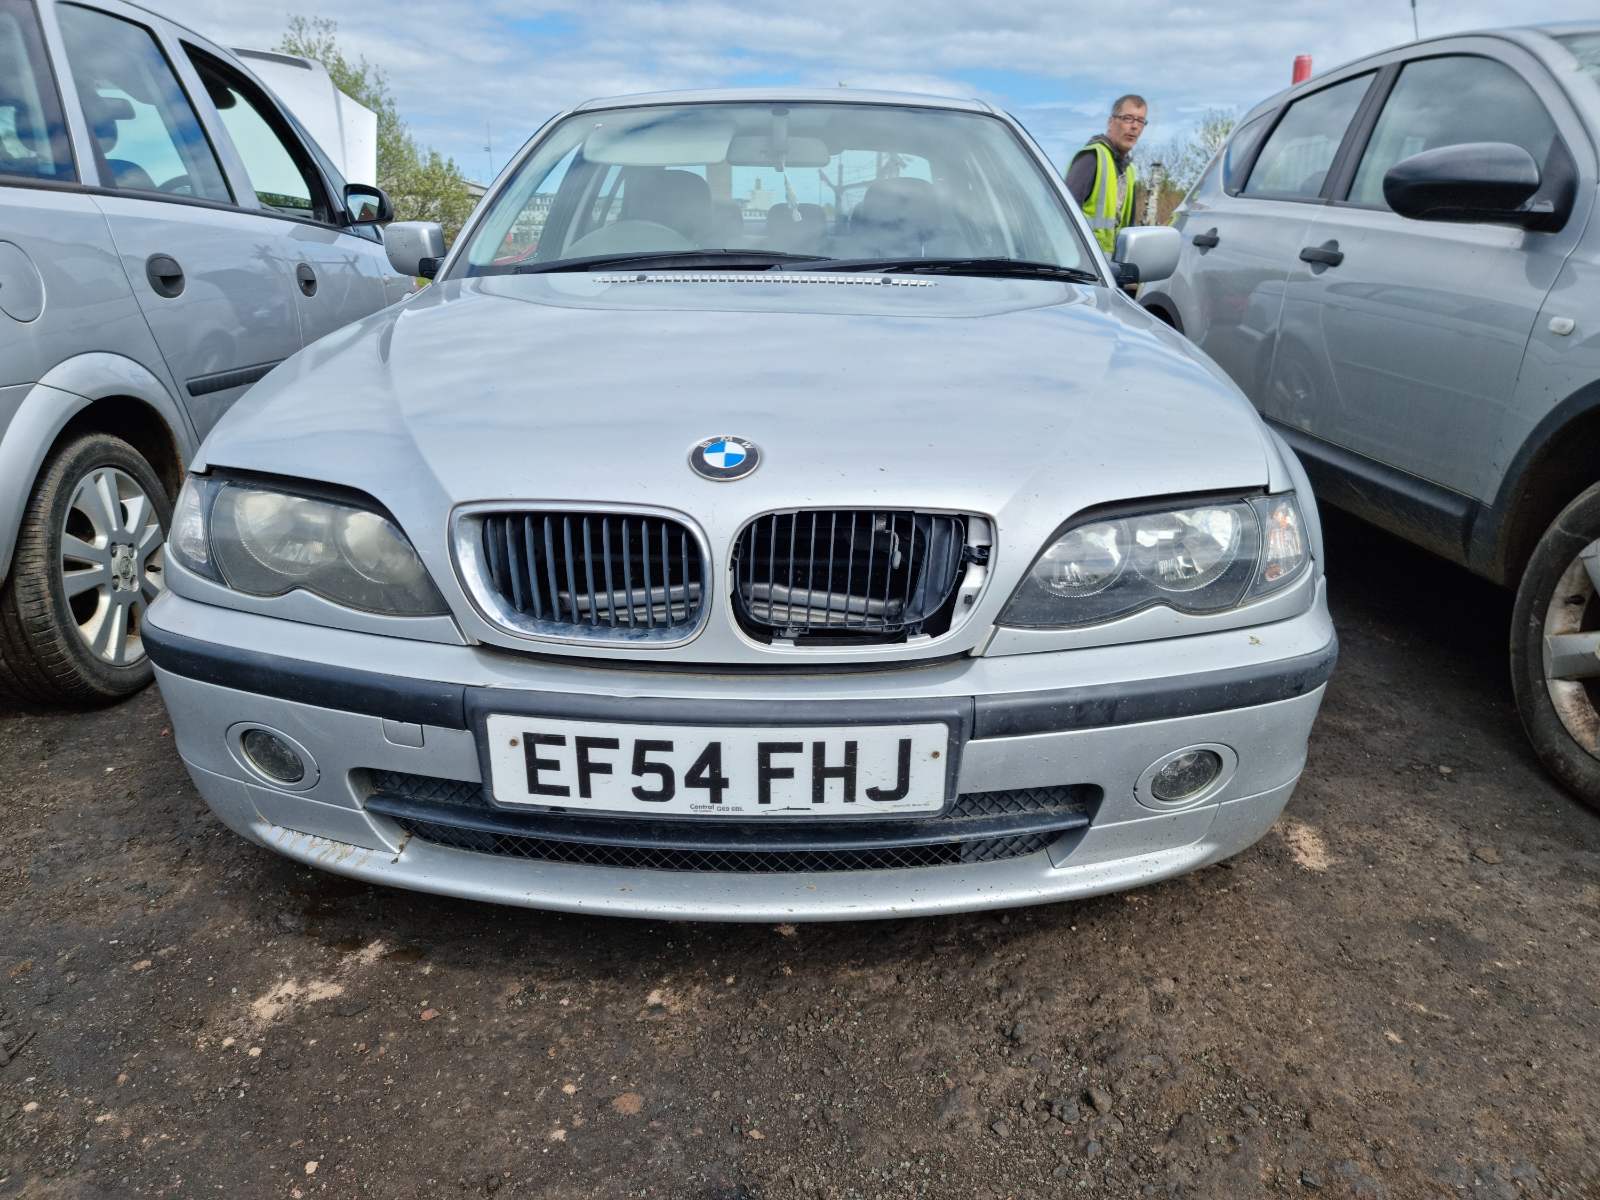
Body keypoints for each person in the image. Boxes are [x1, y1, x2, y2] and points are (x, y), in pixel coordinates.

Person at [1065, 94, 1147, 254]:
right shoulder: (1093, 158)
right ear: (1111, 122)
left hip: (1108, 265)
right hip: (1081, 262)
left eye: (1140, 121)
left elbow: (1127, 229)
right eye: (1128, 118)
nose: (1134, 126)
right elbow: (1063, 216)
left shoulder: (1129, 171)